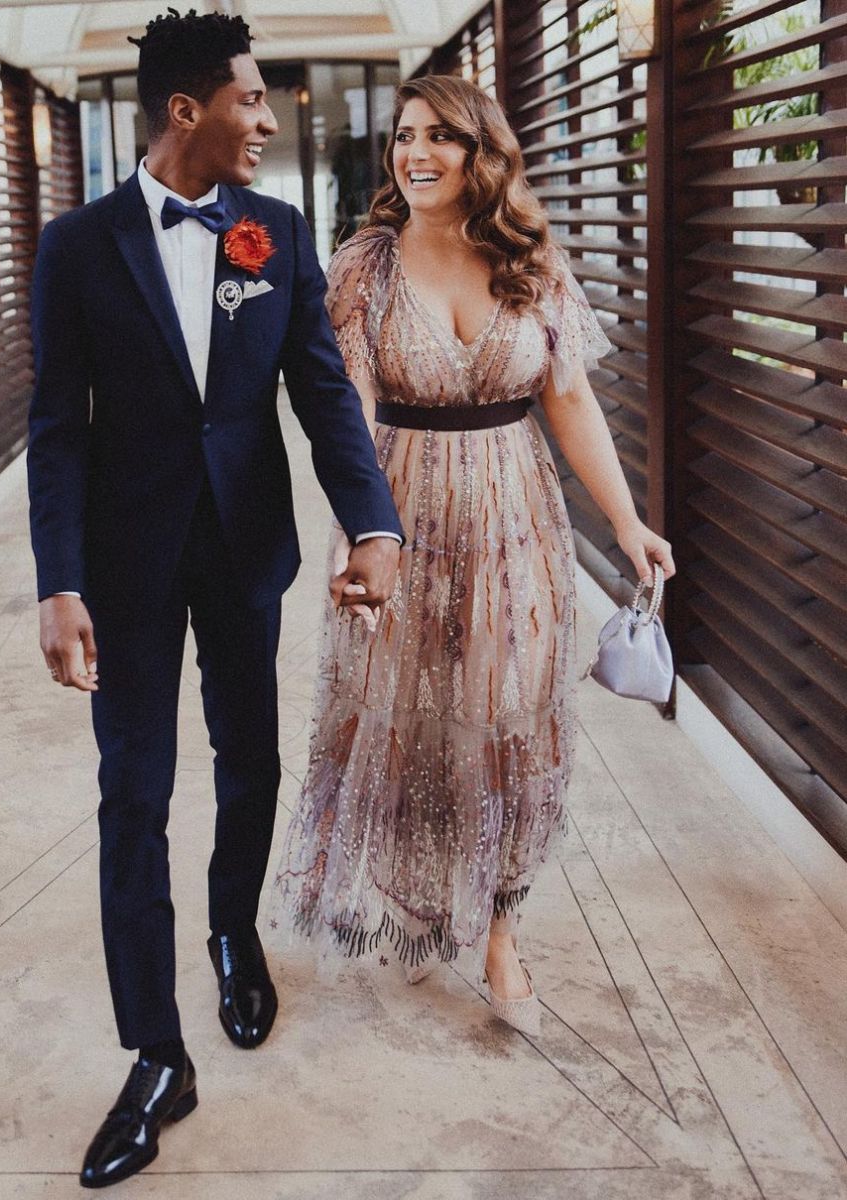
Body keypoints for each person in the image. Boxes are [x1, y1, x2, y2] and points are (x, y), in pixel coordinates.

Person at [26, 8, 403, 1188]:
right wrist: (60, 580)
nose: (266, 116)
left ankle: (233, 931)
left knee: (251, 759)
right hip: (125, 565)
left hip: (245, 548)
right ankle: (154, 1057)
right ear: (186, 112)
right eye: (250, 97)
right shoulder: (77, 246)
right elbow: (54, 428)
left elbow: (324, 395)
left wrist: (375, 519)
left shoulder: (277, 233)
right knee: (130, 795)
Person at [275, 75, 674, 1037]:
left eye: (438, 138)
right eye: (404, 137)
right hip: (397, 516)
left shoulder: (530, 264)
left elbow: (568, 401)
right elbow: (346, 415)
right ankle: (418, 901)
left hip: (516, 523)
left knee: (505, 723)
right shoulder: (363, 269)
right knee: (407, 721)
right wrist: (360, 538)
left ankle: (497, 930)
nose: (414, 155)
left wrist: (625, 524)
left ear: (480, 153)